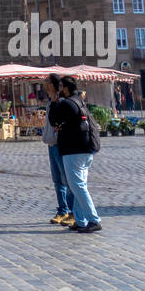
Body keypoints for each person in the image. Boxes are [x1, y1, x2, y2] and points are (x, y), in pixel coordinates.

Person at [51, 77, 102, 233]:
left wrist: (54, 102)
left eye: (60, 87)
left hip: (74, 151)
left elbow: (53, 120)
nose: (59, 90)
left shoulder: (66, 103)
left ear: (65, 88)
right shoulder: (79, 101)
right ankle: (81, 220)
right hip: (86, 149)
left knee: (77, 186)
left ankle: (94, 219)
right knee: (79, 186)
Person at [42, 74, 74, 227]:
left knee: (66, 180)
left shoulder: (60, 101)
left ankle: (71, 211)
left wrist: (55, 135)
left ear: (53, 84)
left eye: (47, 81)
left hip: (58, 144)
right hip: (51, 144)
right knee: (57, 180)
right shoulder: (51, 101)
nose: (44, 83)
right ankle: (62, 210)